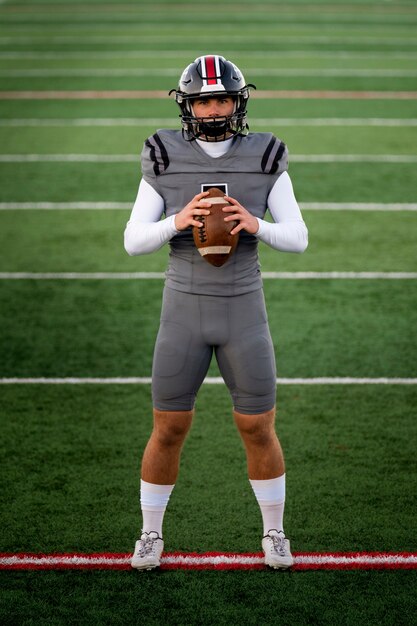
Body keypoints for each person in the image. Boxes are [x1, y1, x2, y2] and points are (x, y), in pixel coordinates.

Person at [124, 55, 308, 570]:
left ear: (238, 101)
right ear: (188, 104)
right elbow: (133, 241)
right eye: (204, 99)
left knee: (258, 427)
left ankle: (274, 532)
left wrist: (256, 224)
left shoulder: (265, 154)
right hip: (181, 310)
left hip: (243, 310)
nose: (212, 109)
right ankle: (150, 535)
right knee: (167, 427)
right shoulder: (163, 154)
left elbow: (298, 238)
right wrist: (177, 220)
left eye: (222, 98)